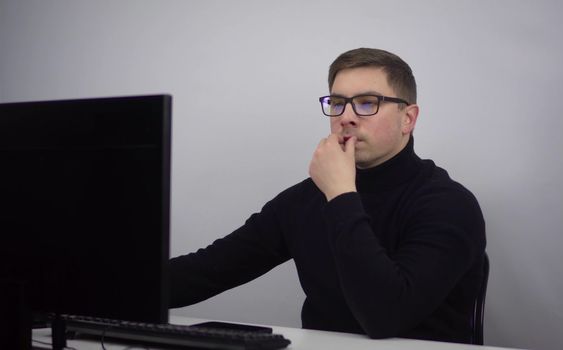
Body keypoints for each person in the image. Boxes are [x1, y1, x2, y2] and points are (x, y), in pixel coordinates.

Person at [169, 48, 486, 344]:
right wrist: (123, 281)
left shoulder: (450, 205)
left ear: (408, 119)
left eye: (366, 103)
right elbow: (209, 270)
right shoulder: (304, 200)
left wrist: (340, 193)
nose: (346, 117)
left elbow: (386, 317)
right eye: (337, 103)